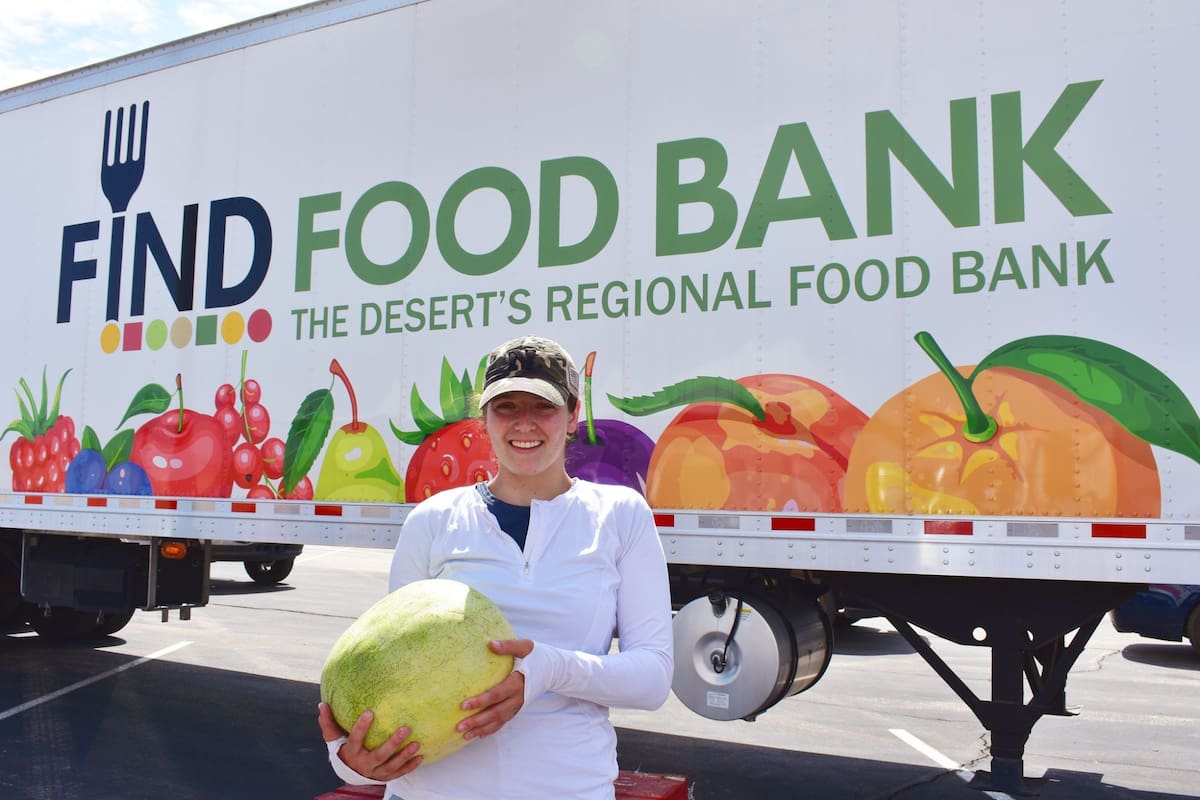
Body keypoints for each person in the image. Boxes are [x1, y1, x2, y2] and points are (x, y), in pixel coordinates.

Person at [317, 335, 674, 800]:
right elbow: (384, 679)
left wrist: (547, 668)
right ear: (484, 418)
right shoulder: (432, 520)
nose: (524, 423)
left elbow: (651, 679)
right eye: (506, 407)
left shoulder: (621, 516)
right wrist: (355, 762)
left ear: (573, 416)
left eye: (542, 406)